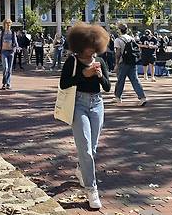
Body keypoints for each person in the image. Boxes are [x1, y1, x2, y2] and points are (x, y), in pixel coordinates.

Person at [59, 23, 111, 210]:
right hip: (78, 104)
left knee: (93, 148)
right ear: (80, 44)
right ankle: (91, 189)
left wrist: (98, 76)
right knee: (86, 149)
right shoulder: (72, 62)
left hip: (97, 104)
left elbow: (107, 87)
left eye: (95, 45)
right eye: (89, 45)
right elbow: (64, 84)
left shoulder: (100, 62)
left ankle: (81, 170)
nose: (92, 49)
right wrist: (83, 74)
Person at [113, 23, 147, 106]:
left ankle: (118, 97)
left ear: (119, 30)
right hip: (132, 61)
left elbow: (118, 53)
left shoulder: (118, 40)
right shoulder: (131, 38)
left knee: (121, 80)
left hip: (123, 62)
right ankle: (142, 97)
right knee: (135, 80)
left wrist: (116, 64)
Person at [0, 19, 18, 90]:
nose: (8, 25)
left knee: (9, 69)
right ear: (4, 24)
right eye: (7, 23)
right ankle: (4, 83)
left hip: (11, 52)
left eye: (9, 23)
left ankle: (8, 83)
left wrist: (15, 48)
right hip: (4, 52)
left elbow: (15, 42)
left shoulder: (13, 33)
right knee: (5, 68)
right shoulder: (1, 33)